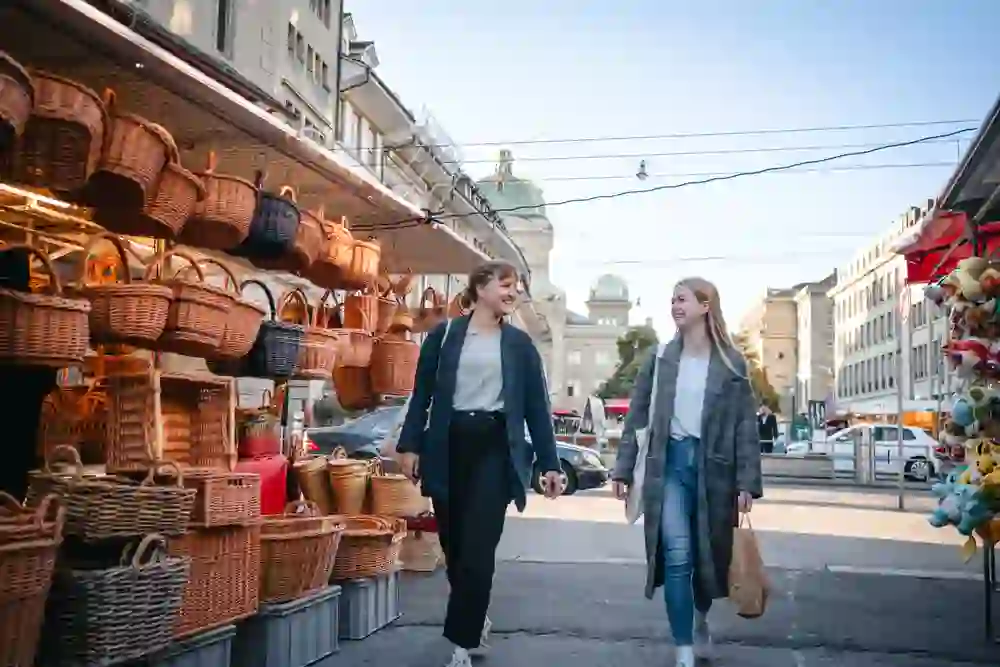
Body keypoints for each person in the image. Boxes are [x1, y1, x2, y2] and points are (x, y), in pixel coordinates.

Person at [396, 260, 565, 667]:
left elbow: (537, 410)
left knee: (478, 547)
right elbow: (422, 396)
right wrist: (409, 445)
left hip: (496, 447)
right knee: (455, 547)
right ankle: (473, 616)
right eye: (506, 285)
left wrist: (550, 463)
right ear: (481, 287)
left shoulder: (520, 345)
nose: (513, 293)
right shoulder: (444, 335)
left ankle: (461, 644)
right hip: (449, 444)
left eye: (517, 288)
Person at [611, 277, 763, 667]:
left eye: (682, 299)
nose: (675, 306)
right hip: (670, 466)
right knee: (677, 555)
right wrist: (623, 469)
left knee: (706, 557)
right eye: (672, 300)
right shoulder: (660, 358)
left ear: (705, 305)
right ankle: (683, 650)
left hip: (716, 470)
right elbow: (637, 417)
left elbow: (746, 425)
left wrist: (748, 481)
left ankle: (699, 620)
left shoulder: (731, 362)